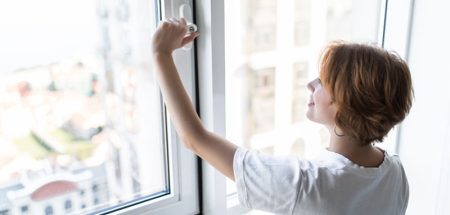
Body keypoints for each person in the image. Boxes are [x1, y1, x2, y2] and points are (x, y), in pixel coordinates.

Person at [151, 18, 413, 215]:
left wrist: (161, 54)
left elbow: (195, 138)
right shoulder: (395, 174)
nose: (311, 84)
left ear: (345, 103)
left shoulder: (308, 185)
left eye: (323, 81)